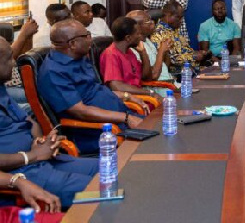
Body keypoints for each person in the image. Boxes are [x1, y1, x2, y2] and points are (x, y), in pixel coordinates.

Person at [0, 37, 98, 207]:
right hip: (21, 172)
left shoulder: (2, 89)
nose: (14, 63)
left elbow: (30, 123)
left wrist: (41, 142)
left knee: (115, 169)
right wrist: (31, 156)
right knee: (106, 189)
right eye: (9, 58)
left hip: (42, 160)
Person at [38, 19, 145, 154]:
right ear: (72, 44)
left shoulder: (79, 57)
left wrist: (127, 96)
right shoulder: (53, 72)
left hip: (121, 119)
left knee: (164, 128)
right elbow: (81, 111)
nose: (91, 39)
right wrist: (125, 118)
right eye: (87, 35)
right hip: (99, 132)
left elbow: (98, 91)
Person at [99, 17, 159, 99]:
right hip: (127, 102)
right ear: (128, 38)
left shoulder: (129, 52)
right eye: (138, 34)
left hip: (141, 98)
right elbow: (117, 87)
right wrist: (149, 93)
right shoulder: (111, 54)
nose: (141, 37)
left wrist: (143, 53)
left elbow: (147, 77)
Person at [150, 1, 207, 69]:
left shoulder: (174, 29)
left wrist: (198, 53)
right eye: (178, 17)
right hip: (178, 72)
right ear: (168, 15)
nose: (181, 21)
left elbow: (182, 50)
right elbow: (170, 59)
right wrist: (193, 56)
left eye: (182, 18)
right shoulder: (158, 33)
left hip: (192, 67)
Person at [127, 10, 173, 83]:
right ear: (137, 27)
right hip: (157, 87)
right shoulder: (135, 47)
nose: (153, 23)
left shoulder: (147, 40)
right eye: (148, 21)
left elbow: (163, 68)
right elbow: (153, 75)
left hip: (169, 82)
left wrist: (165, 51)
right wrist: (161, 51)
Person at [5, 18, 38, 114]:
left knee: (44, 94)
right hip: (7, 87)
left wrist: (28, 36)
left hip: (20, 82)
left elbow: (22, 57)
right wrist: (23, 34)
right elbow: (7, 57)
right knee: (38, 103)